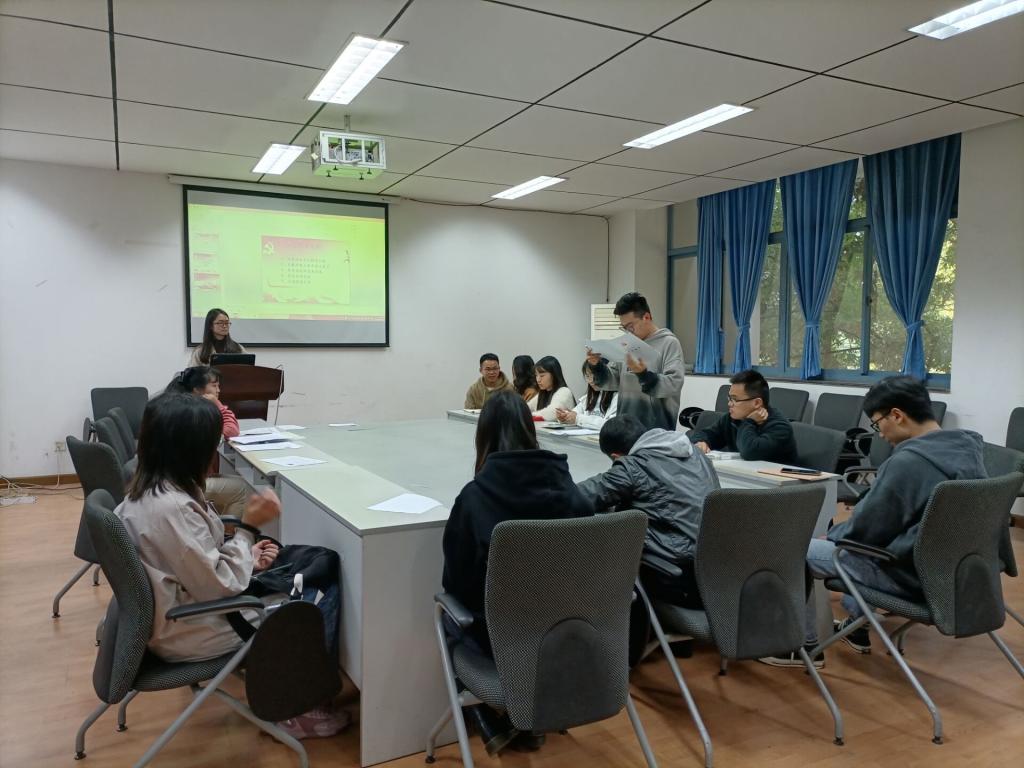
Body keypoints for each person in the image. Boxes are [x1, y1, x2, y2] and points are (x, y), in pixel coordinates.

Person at [115, 393, 349, 738]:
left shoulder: (148, 492)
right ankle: (298, 706)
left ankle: (298, 688)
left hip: (184, 609)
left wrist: (246, 556)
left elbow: (198, 563)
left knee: (311, 560)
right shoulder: (171, 508)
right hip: (196, 625)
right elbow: (219, 586)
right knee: (314, 591)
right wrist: (247, 530)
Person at [760, 376, 986, 668]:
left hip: (910, 575)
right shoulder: (968, 450)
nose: (879, 435)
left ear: (897, 415)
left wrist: (834, 535)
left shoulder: (910, 462)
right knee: (872, 541)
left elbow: (866, 529)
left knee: (794, 549)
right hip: (959, 577)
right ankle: (857, 628)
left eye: (877, 424)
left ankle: (801, 646)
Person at [442, 390, 592, 754]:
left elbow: (456, 582)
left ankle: (485, 716)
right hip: (565, 632)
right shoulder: (570, 492)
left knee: (447, 613)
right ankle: (524, 716)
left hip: (500, 638)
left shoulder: (475, 498)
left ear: (483, 436)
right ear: (530, 430)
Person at [577, 415, 720, 661]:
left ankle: (622, 655)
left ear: (616, 456)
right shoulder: (696, 454)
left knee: (609, 552)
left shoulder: (634, 465)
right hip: (717, 576)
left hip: (679, 581)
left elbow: (580, 497)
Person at [586, 292, 684, 431]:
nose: (628, 332)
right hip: (625, 428)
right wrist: (596, 365)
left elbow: (674, 384)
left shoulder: (669, 343)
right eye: (624, 328)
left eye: (630, 326)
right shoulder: (627, 344)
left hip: (656, 430)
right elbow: (611, 381)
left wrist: (644, 375)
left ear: (646, 317)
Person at [165, 366, 247, 519]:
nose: (218, 390)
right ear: (197, 390)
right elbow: (231, 431)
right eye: (214, 386)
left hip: (174, 480)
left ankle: (220, 526)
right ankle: (228, 531)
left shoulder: (177, 406)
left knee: (235, 483)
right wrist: (219, 406)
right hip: (183, 484)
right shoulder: (194, 413)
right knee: (244, 489)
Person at [689, 369, 798, 464]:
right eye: (729, 398)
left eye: (735, 399)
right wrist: (701, 442)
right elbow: (704, 434)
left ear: (757, 403)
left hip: (778, 481)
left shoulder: (779, 427)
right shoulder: (731, 419)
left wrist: (749, 422)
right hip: (745, 475)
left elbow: (749, 452)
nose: (729, 404)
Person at [556, 361, 618, 429]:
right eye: (588, 376)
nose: (591, 381)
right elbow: (575, 413)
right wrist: (564, 416)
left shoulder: (617, 398)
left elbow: (610, 425)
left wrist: (578, 418)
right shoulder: (588, 397)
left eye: (595, 375)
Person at [526, 356, 575, 421]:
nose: (538, 380)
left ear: (554, 374)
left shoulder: (564, 391)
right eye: (536, 375)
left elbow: (551, 413)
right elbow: (525, 408)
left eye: (542, 376)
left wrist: (526, 416)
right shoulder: (543, 393)